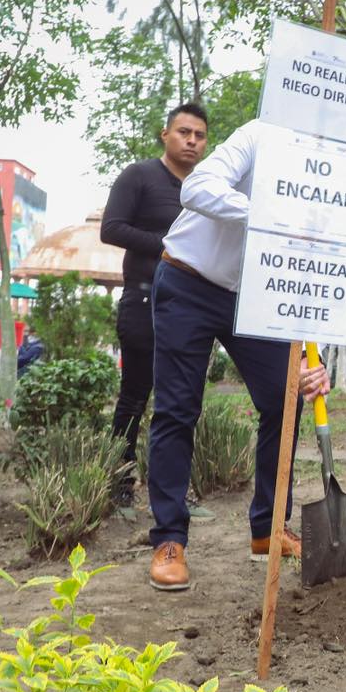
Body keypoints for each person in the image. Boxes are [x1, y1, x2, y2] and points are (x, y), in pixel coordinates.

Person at [145, 118, 346, 591]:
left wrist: (314, 359)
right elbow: (196, 188)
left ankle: (268, 527)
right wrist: (274, 214)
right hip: (188, 280)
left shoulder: (334, 213)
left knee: (284, 400)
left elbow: (316, 282)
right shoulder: (262, 136)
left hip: (255, 300)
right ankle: (169, 540)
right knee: (178, 410)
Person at [100, 102, 210, 507]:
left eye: (199, 135)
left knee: (180, 402)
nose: (191, 141)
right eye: (184, 132)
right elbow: (111, 229)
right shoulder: (140, 176)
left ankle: (174, 493)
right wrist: (170, 245)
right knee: (134, 396)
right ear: (166, 134)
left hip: (192, 306)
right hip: (143, 297)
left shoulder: (205, 186)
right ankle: (119, 485)